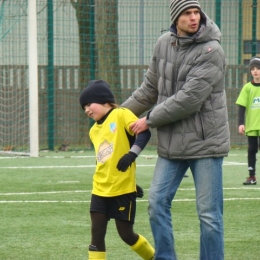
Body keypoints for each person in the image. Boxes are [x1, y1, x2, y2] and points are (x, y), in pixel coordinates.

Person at [121, 0, 230, 259]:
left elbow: (189, 99)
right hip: (172, 144)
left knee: (209, 215)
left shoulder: (212, 50)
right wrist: (118, 117)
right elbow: (149, 89)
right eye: (187, 13)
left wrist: (148, 120)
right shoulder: (163, 43)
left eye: (197, 13)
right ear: (175, 18)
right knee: (157, 203)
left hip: (206, 144)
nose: (194, 18)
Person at [79, 79, 155, 260]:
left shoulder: (121, 114)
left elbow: (143, 132)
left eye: (89, 104)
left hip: (122, 190)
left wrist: (132, 154)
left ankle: (153, 257)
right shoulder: (93, 131)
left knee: (126, 234)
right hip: (99, 189)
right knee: (96, 237)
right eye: (84, 108)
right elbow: (104, 162)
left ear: (105, 101)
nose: (87, 110)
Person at [236, 56, 260, 185]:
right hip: (251, 126)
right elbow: (242, 107)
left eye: (258, 69)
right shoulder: (247, 88)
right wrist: (241, 123)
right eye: (253, 69)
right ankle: (252, 176)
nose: (255, 71)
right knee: (251, 150)